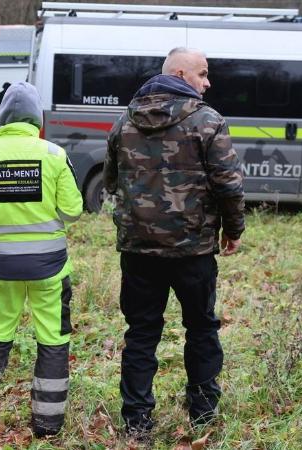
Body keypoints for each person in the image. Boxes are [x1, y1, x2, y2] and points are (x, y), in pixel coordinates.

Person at [103, 47, 245, 438]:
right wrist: (233, 230)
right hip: (193, 251)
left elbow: (111, 181)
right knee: (201, 329)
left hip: (138, 251)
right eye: (203, 73)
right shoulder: (208, 121)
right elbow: (229, 185)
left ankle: (136, 423)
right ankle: (203, 416)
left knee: (141, 333)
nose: (207, 82)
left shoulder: (124, 121)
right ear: (181, 74)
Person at [0, 81, 83, 437]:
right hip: (49, 268)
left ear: (2, 118)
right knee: (53, 339)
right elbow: (73, 210)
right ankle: (48, 424)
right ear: (37, 118)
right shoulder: (54, 155)